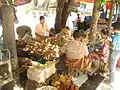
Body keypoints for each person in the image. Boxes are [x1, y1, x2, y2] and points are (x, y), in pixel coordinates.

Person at [110, 22, 120, 88]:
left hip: (114, 52)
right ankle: (112, 78)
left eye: (112, 27)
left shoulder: (116, 36)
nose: (112, 29)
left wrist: (108, 43)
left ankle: (112, 81)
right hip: (118, 51)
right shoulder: (118, 35)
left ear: (115, 28)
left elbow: (112, 47)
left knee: (112, 67)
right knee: (113, 65)